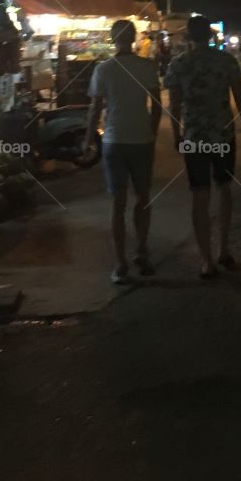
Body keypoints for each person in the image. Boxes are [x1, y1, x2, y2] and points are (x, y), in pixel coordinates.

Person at [166, 15, 241, 278]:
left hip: (194, 139)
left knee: (199, 195)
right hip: (222, 137)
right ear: (210, 35)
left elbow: (174, 107)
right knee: (224, 189)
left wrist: (176, 135)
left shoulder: (179, 65)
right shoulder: (226, 61)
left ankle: (206, 260)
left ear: (187, 37)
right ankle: (224, 249)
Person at [86, 20, 162, 284]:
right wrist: (151, 132)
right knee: (143, 198)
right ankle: (141, 250)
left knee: (117, 204)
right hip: (141, 140)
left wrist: (87, 140)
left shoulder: (103, 69)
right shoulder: (146, 67)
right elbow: (157, 105)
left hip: (114, 141)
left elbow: (95, 109)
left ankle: (120, 264)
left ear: (111, 38)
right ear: (134, 38)